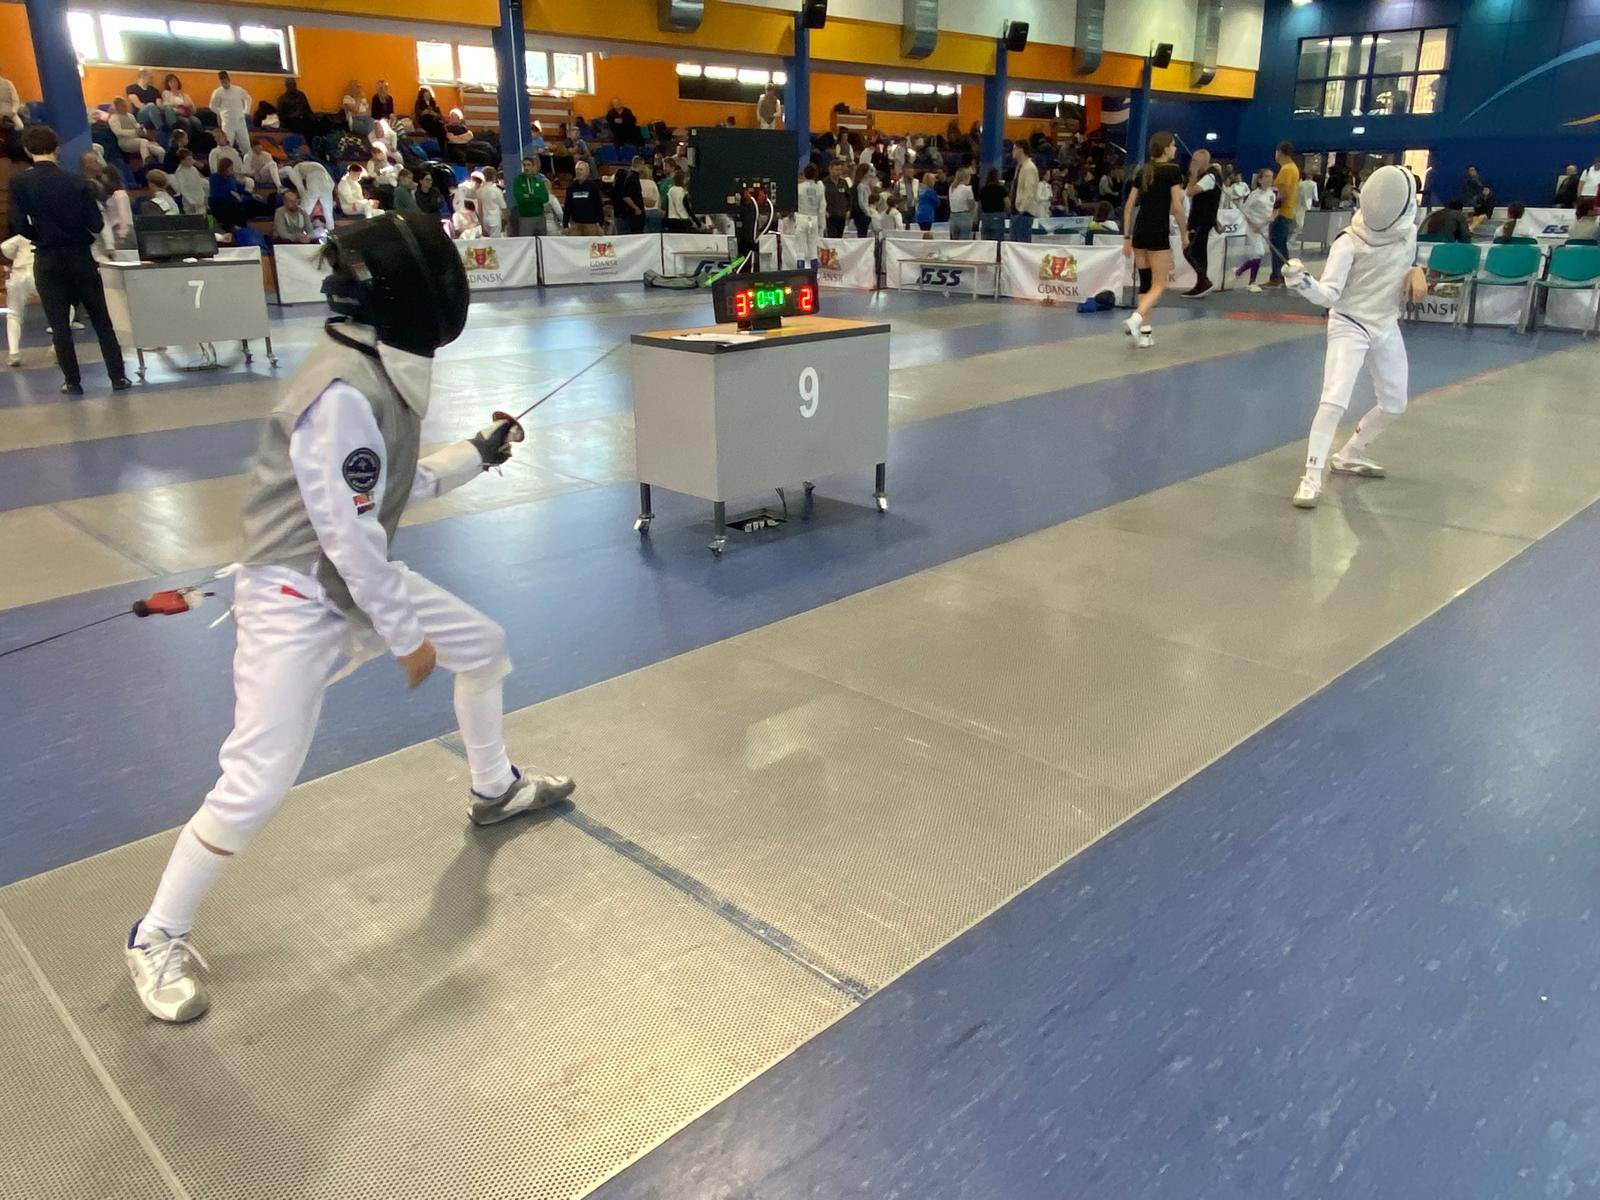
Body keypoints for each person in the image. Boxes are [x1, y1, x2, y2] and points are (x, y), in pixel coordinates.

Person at [122, 212, 572, 1023]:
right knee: (257, 781)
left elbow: (395, 485)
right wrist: (407, 638)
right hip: (294, 598)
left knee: (485, 648)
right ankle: (155, 935)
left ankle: (493, 787)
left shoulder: (373, 369)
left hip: (351, 580)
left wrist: (478, 452)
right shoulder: (340, 395)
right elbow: (349, 537)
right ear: (413, 294)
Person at [1286, 165, 1427, 510]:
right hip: (1350, 324)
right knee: (1334, 400)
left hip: (1386, 324)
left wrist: (1416, 269)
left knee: (1394, 403)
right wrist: (1302, 281)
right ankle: (1311, 477)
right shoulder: (1348, 242)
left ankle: (1350, 453)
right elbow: (1328, 295)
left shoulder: (1407, 232)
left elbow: (1407, 258)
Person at [8, 126, 129, 394]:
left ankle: (72, 382)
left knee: (59, 324)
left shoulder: (19, 183)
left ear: (27, 150)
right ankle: (118, 376)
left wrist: (40, 236)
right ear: (58, 148)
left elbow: (19, 224)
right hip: (80, 256)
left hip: (47, 258)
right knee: (101, 320)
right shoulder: (78, 182)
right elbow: (96, 224)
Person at [1120, 130, 1187, 349]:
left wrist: (1126, 237)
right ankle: (1136, 318)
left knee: (1145, 283)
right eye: (1173, 145)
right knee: (1159, 284)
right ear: (1166, 148)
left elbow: (1129, 206)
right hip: (1158, 231)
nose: (1175, 148)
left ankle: (1146, 334)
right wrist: (1185, 233)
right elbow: (1177, 207)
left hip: (1140, 231)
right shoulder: (1172, 171)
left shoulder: (1143, 170)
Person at [1182, 148, 1223, 297]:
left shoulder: (1210, 177)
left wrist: (1192, 175)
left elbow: (1190, 192)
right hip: (1204, 219)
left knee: (1190, 251)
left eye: (1195, 161)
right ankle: (1201, 284)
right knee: (1200, 253)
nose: (1192, 164)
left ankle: (1204, 281)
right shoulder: (1210, 176)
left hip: (1202, 221)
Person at [1265, 141, 1300, 287]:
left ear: (1279, 152)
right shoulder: (1294, 168)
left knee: (1276, 246)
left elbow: (1283, 194)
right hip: (1288, 212)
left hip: (1282, 213)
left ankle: (1276, 277)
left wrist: (1274, 210)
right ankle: (1285, 275)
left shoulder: (1286, 170)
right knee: (1282, 246)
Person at [1234, 168, 1276, 292]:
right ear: (1260, 179)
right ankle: (1252, 282)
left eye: (1271, 176)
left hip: (1264, 228)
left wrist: (1272, 217)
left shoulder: (1272, 194)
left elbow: (1272, 210)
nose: (1269, 179)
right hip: (1253, 228)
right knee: (1259, 252)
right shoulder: (1255, 195)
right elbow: (1244, 210)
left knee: (1257, 254)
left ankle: (1239, 271)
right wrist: (1252, 224)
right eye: (1266, 176)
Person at [2, 229, 35, 366]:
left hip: (18, 275)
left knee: (14, 314)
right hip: (39, 275)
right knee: (63, 309)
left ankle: (14, 353)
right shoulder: (49, 233)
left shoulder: (22, 236)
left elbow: (4, 246)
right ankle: (57, 347)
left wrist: (14, 256)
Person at [208, 158, 264, 229]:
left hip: (233, 202)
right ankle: (236, 229)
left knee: (252, 202)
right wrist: (230, 194)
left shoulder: (231, 177)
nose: (232, 170)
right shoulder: (214, 177)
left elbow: (238, 189)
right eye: (230, 168)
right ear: (224, 168)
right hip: (219, 204)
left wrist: (251, 195)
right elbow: (215, 195)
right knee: (238, 209)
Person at [209, 71, 252, 155]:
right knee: (227, 146)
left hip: (240, 121)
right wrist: (220, 112)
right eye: (222, 82)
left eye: (225, 82)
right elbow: (212, 106)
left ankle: (246, 161)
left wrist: (246, 111)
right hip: (227, 123)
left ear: (229, 80)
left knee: (246, 145)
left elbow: (248, 98)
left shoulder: (238, 90)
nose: (224, 84)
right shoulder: (218, 92)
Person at [107, 97, 161, 163]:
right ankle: (147, 163)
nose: (125, 108)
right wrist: (135, 132)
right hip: (125, 142)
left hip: (137, 140)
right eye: (123, 106)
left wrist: (142, 130)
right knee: (143, 142)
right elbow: (118, 132)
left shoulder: (130, 116)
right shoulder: (113, 119)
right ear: (117, 107)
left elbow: (137, 125)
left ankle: (161, 165)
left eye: (125, 105)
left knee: (160, 151)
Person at [1009, 142, 1043, 242]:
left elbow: (1029, 191)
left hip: (1023, 213)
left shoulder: (1029, 168)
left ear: (1021, 150)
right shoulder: (1019, 167)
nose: (1012, 151)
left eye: (1014, 149)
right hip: (1016, 211)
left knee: (1021, 243)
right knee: (1013, 244)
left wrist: (1021, 209)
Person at [792, 163, 824, 267]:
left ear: (804, 174)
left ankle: (800, 273)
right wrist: (822, 224)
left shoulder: (799, 187)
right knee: (813, 250)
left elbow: (794, 204)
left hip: (802, 217)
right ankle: (814, 274)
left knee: (800, 251)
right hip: (814, 218)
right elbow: (822, 207)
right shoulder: (820, 188)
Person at [290, 158, 337, 229]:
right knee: (328, 213)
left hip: (314, 182)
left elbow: (299, 186)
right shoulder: (315, 164)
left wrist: (303, 199)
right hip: (327, 185)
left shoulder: (297, 167)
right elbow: (332, 184)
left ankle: (298, 229)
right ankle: (331, 230)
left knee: (305, 211)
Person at [564, 160, 605, 235]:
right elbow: (567, 207)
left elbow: (598, 206)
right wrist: (565, 225)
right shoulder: (571, 187)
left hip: (591, 225)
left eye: (581, 170)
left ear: (587, 172)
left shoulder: (593, 187)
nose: (578, 172)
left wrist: (600, 224)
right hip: (575, 225)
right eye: (577, 170)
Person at [513, 158, 551, 235]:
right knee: (526, 241)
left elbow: (545, 198)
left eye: (528, 165)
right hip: (525, 218)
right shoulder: (518, 181)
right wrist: (537, 197)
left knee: (542, 240)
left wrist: (529, 196)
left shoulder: (539, 180)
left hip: (540, 217)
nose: (526, 168)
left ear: (533, 167)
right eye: (524, 165)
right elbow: (520, 199)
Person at [100, 169, 134, 251]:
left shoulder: (119, 194)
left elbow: (123, 214)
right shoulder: (110, 196)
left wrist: (122, 235)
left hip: (122, 230)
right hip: (114, 229)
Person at [171, 149, 209, 214]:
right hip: (190, 203)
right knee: (194, 217)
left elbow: (200, 182)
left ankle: (209, 222)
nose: (192, 161)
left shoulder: (193, 169)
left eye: (192, 159)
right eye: (189, 159)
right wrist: (192, 202)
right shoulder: (180, 173)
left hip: (200, 198)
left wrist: (204, 197)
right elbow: (183, 190)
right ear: (182, 161)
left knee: (205, 215)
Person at [823, 159, 851, 239]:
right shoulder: (824, 183)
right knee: (832, 238)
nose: (839, 172)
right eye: (836, 170)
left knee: (839, 238)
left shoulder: (843, 182)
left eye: (840, 170)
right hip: (830, 216)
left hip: (841, 215)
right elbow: (821, 199)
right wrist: (824, 211)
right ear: (830, 170)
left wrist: (848, 210)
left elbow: (848, 197)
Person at [978, 167, 1008, 239]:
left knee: (986, 241)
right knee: (997, 240)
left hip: (985, 217)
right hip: (997, 216)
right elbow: (1007, 203)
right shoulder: (1000, 189)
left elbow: (980, 204)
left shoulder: (983, 190)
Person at [476, 166, 507, 236]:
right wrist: (506, 220)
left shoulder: (479, 191)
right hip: (495, 220)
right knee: (495, 240)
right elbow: (503, 207)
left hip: (485, 220)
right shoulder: (497, 191)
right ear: (494, 176)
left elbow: (480, 210)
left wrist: (481, 225)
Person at [946, 168, 975, 240]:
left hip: (953, 217)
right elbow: (972, 205)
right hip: (964, 217)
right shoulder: (967, 189)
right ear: (966, 177)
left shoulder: (951, 188)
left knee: (954, 242)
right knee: (964, 242)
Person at [639, 163, 662, 233]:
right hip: (654, 211)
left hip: (641, 212)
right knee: (655, 236)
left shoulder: (636, 183)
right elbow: (658, 198)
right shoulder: (652, 183)